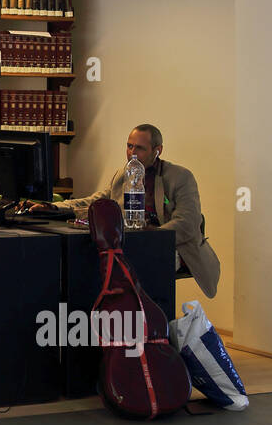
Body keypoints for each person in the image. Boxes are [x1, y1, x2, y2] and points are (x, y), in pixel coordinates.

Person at [34, 123, 221, 297]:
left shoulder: (180, 177)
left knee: (136, 263)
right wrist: (53, 207)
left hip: (170, 245)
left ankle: (147, 318)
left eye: (139, 148)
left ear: (158, 151)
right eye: (129, 146)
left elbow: (188, 223)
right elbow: (95, 201)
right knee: (88, 259)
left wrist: (152, 237)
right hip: (130, 241)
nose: (132, 153)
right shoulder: (123, 175)